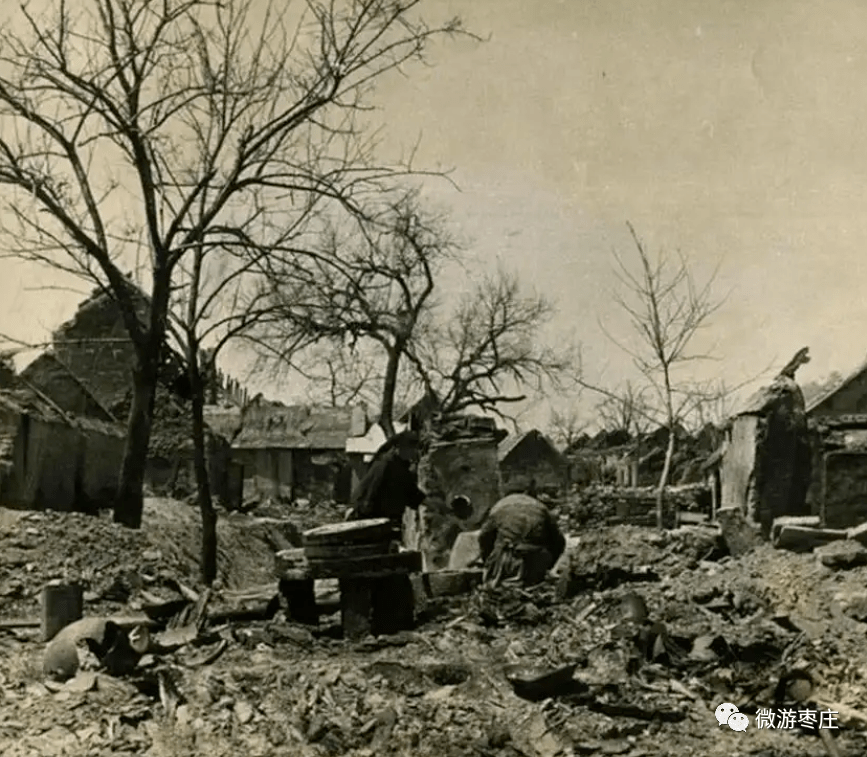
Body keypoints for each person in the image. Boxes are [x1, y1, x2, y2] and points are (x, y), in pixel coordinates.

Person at [478, 492, 566, 587]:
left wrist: (488, 560)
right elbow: (559, 541)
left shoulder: (498, 507)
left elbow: (483, 538)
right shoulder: (541, 508)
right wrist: (549, 566)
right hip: (535, 562)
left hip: (506, 562)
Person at [349, 431, 426, 537]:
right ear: (399, 448)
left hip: (378, 520)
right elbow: (371, 492)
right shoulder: (389, 465)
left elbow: (412, 495)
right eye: (411, 449)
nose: (414, 453)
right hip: (372, 521)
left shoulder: (396, 465)